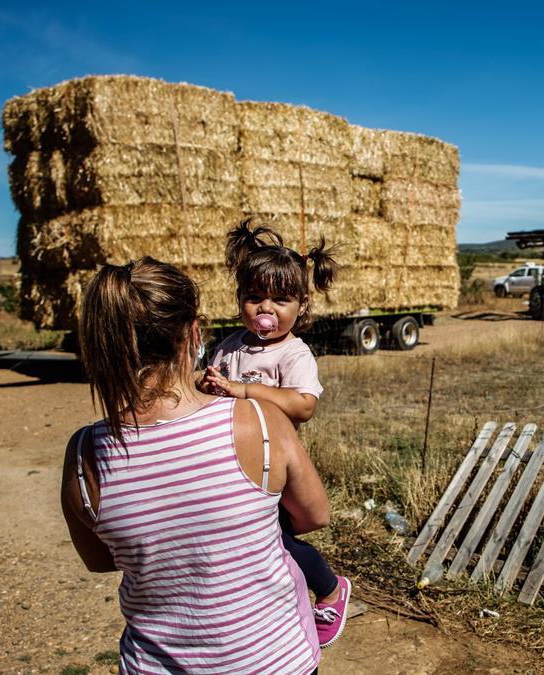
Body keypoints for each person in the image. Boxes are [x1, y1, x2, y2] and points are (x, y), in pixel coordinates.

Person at [60, 257, 328, 674]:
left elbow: (102, 560)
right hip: (274, 660)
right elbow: (314, 515)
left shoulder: (83, 457)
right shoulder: (259, 421)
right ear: (194, 332)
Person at [199, 219, 351, 649]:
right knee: (243, 538)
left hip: (275, 465)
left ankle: (330, 589)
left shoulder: (293, 352)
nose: (266, 308)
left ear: (301, 307)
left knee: (275, 539)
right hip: (230, 460)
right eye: (254, 298)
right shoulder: (229, 346)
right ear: (240, 300)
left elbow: (304, 404)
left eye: (280, 300)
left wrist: (247, 390)